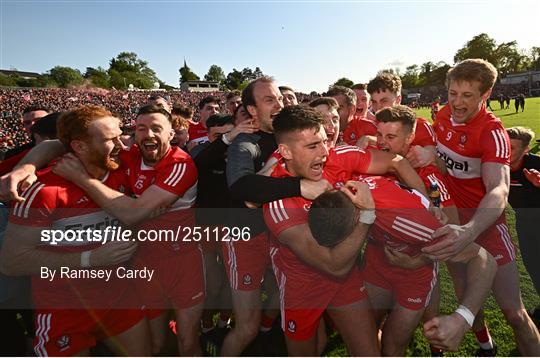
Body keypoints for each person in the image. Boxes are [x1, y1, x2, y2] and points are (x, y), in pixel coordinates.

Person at [262, 105, 429, 355]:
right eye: (311, 147)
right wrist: (367, 215)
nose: (323, 153)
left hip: (347, 276)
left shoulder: (339, 155)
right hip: (302, 285)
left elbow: (397, 162)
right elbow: (332, 264)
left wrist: (426, 207)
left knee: (368, 352)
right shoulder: (278, 202)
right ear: (285, 151)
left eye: (323, 142)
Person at [0, 105, 150, 356]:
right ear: (79, 147)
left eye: (120, 134)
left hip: (119, 297)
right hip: (65, 307)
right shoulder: (44, 190)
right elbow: (10, 262)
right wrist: (90, 259)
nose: (122, 145)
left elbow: (58, 144)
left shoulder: (123, 163)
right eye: (110, 139)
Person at [422, 59, 540, 355]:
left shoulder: (492, 132)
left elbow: (499, 189)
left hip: (483, 224)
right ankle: (487, 346)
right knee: (466, 299)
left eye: (467, 96)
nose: (457, 103)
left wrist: (470, 229)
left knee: (514, 313)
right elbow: (445, 168)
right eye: (452, 94)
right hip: (451, 220)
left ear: (486, 95)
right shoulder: (443, 116)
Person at [309, 179, 496, 354]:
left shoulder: (414, 223)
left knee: (392, 348)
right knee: (366, 335)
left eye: (345, 242)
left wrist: (463, 318)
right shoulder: (348, 189)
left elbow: (484, 259)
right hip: (377, 262)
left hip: (415, 277)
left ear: (357, 217)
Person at [506, 126, 540, 323]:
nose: (506, 152)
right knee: (533, 266)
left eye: (512, 148)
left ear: (526, 150)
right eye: (504, 146)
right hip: (524, 225)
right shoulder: (497, 167)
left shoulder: (535, 164)